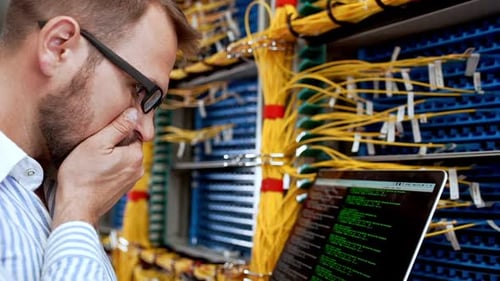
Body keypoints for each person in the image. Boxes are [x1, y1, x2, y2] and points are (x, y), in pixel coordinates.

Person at [0, 0, 198, 280]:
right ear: (59, 47)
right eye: (140, 90)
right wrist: (77, 213)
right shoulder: (73, 201)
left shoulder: (54, 183)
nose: (147, 131)